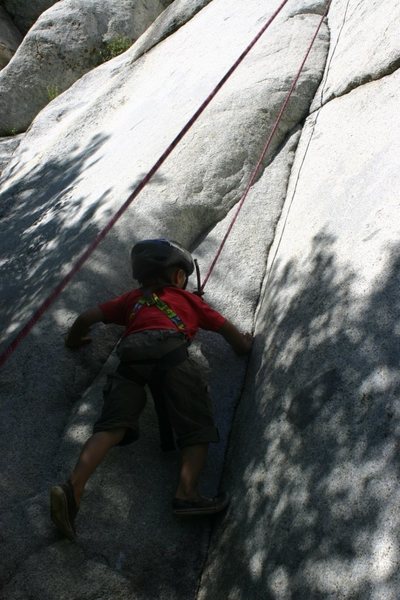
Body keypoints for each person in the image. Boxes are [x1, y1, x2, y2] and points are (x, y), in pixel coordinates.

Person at [50, 238, 253, 540]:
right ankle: (187, 493)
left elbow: (87, 318)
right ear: (177, 276)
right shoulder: (191, 301)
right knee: (195, 424)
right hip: (171, 353)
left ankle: (73, 487)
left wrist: (73, 340)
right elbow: (226, 331)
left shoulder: (131, 299)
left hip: (130, 359)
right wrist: (244, 346)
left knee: (110, 426)